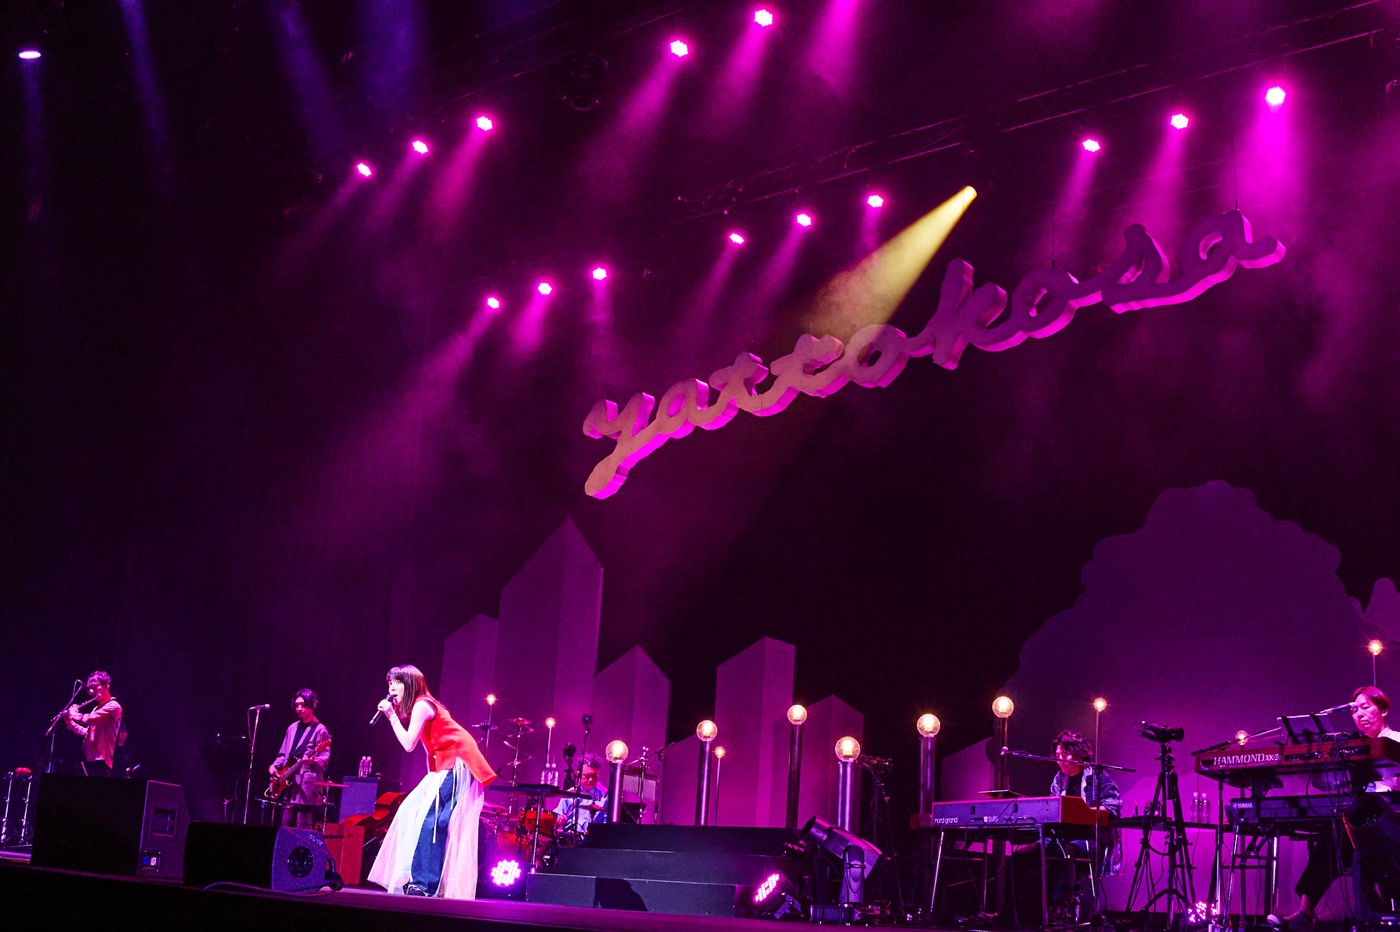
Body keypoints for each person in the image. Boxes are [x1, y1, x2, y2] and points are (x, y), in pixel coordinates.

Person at [1271, 686, 1400, 931]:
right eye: (1354, 710)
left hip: (1391, 824)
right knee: (1331, 840)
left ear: (1383, 710)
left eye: (1365, 707)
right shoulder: (1351, 747)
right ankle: (1306, 911)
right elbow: (1325, 783)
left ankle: (1370, 919)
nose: (1359, 714)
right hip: (1360, 824)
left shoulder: (1397, 741)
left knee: (1358, 845)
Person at [368, 665, 497, 898]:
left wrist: (391, 716)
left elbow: (409, 744)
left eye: (396, 682)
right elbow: (430, 746)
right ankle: (422, 880)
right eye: (389, 683)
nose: (391, 688)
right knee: (415, 813)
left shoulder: (422, 705)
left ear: (410, 684)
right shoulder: (421, 706)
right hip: (445, 764)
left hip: (457, 761)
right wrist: (432, 777)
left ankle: (424, 883)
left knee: (431, 820)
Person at [1018, 729, 1122, 923]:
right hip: (1061, 836)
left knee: (1067, 852)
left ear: (1079, 753)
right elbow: (1052, 809)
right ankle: (1011, 912)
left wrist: (1083, 812)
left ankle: (1059, 906)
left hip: (1091, 838)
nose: (1061, 760)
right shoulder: (1059, 779)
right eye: (1058, 755)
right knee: (1022, 856)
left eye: (1065, 754)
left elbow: (1112, 806)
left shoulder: (1098, 776)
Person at [267, 688, 332, 828]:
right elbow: (283, 754)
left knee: (303, 828)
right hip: (288, 785)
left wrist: (312, 761)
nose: (299, 708)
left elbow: (324, 761)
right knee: (285, 826)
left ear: (313, 705)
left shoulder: (320, 730)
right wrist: (274, 766)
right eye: (296, 705)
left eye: (303, 705)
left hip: (306, 789)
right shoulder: (291, 728)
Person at [62, 671, 123, 777]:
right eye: (90, 688)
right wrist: (70, 723)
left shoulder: (114, 706)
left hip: (101, 762)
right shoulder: (96, 708)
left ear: (106, 685)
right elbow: (88, 733)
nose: (91, 691)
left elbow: (89, 719)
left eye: (95, 687)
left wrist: (75, 714)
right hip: (90, 760)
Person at [553, 753, 609, 837]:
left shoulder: (605, 796)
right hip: (570, 839)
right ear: (578, 774)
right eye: (587, 776)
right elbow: (555, 821)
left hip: (595, 840)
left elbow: (608, 824)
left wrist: (596, 831)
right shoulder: (569, 795)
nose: (591, 780)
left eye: (595, 776)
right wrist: (558, 821)